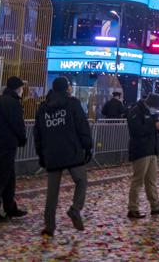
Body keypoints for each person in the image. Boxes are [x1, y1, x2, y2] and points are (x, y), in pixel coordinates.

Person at [35, 77, 92, 236]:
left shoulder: (43, 107)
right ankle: (75, 208)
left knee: (52, 192)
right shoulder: (72, 103)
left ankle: (49, 226)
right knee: (81, 180)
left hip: (52, 153)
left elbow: (37, 133)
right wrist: (87, 146)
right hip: (72, 151)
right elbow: (82, 125)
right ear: (66, 88)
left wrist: (41, 154)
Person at [0, 76, 28, 223]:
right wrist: (22, 138)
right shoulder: (13, 102)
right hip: (7, 143)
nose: (22, 91)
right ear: (17, 88)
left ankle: (10, 207)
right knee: (1, 179)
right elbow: (17, 124)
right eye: (22, 88)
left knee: (9, 177)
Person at [127, 93, 159, 219]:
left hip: (151, 149)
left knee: (151, 181)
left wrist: (158, 128)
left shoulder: (152, 113)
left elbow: (152, 127)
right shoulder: (136, 111)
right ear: (150, 103)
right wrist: (153, 126)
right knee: (138, 181)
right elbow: (136, 130)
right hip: (141, 150)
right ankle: (133, 208)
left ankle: (156, 206)